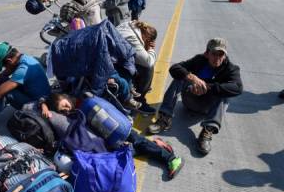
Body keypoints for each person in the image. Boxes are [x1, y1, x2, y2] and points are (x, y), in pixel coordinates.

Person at [36, 93, 184, 179]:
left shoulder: (79, 95)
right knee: (126, 152)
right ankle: (156, 144)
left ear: (66, 97)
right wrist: (44, 105)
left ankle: (171, 159)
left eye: (65, 105)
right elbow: (41, 98)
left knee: (138, 143)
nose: (67, 109)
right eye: (63, 111)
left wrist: (44, 102)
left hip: (118, 125)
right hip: (110, 133)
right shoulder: (74, 112)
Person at [148, 38, 243, 155]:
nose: (217, 58)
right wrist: (191, 77)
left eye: (221, 54)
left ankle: (207, 132)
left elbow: (238, 88)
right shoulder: (199, 60)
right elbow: (174, 68)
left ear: (225, 55)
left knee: (225, 93)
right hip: (190, 100)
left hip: (209, 107)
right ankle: (164, 118)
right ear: (207, 53)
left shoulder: (231, 68)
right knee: (180, 77)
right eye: (214, 54)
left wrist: (207, 87)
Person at [116, 20, 158, 114]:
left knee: (140, 61)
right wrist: (150, 49)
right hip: (113, 63)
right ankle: (139, 100)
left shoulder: (130, 25)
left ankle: (138, 87)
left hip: (115, 58)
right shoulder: (132, 38)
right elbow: (148, 61)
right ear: (147, 38)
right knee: (148, 68)